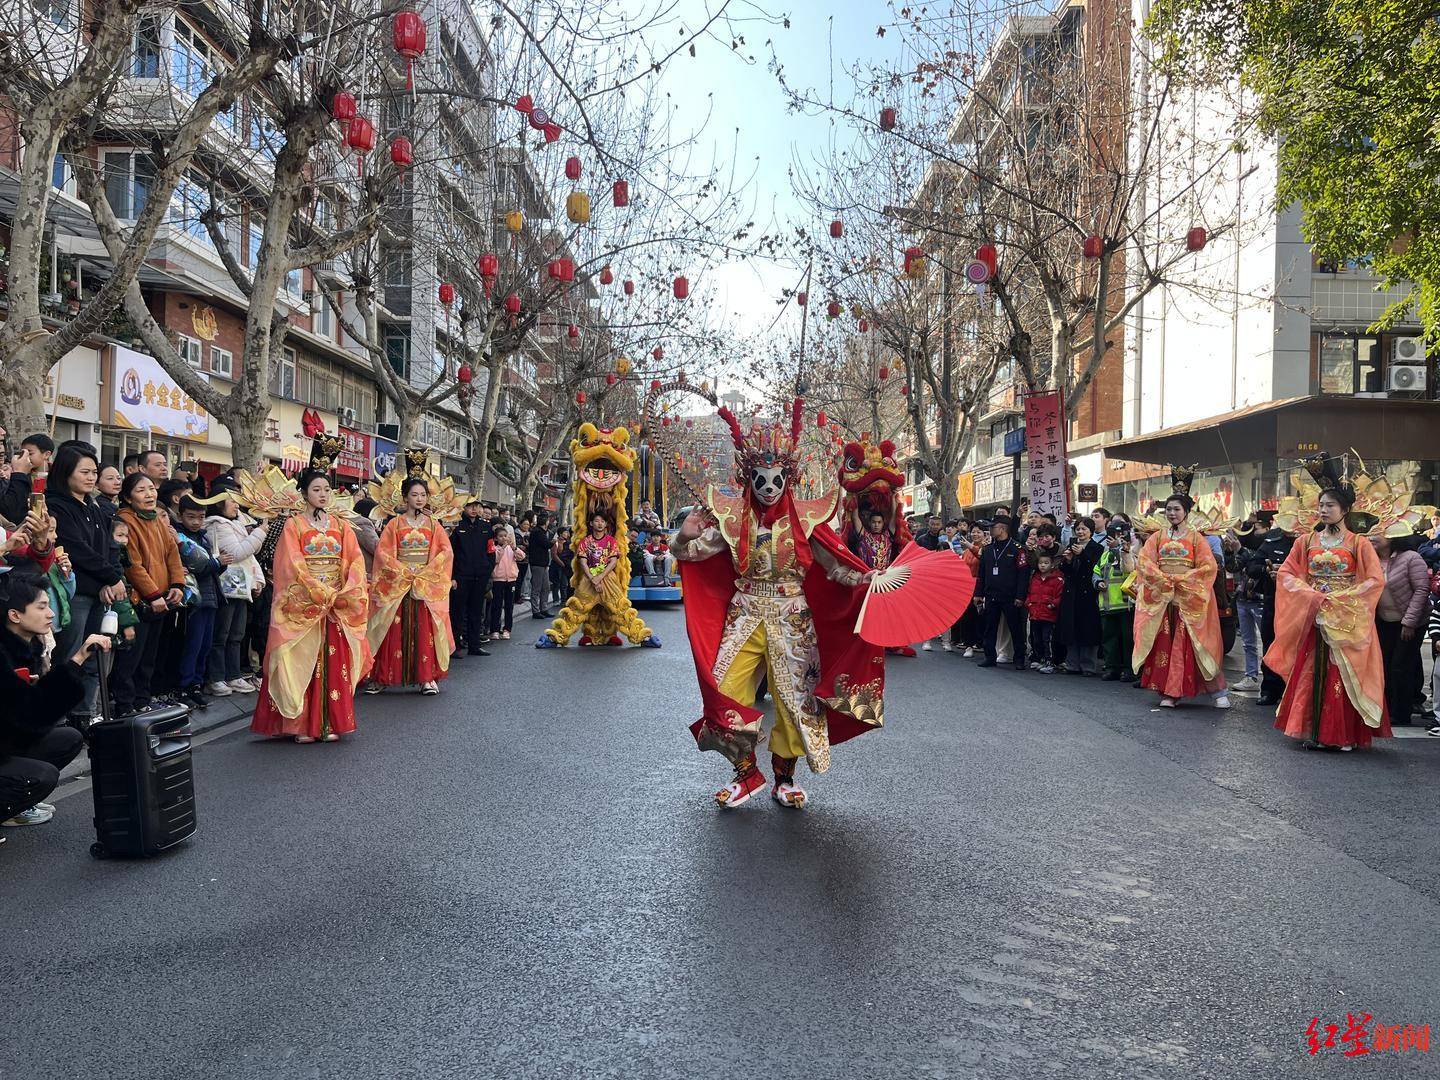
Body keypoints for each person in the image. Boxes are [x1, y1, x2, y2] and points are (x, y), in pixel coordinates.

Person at [670, 398, 890, 810]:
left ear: (787, 479)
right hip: (746, 612)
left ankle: (784, 778)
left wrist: (864, 577)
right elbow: (689, 554)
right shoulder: (732, 520)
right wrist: (683, 536)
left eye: (775, 480)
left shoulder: (806, 520)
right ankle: (746, 772)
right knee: (723, 689)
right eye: (760, 480)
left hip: (793, 616)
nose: (768, 489)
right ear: (748, 478)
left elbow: (835, 567)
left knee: (795, 699)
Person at [1266, 454, 1387, 750]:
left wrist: (1344, 598)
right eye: (1320, 505)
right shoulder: (1306, 541)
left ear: (1344, 509)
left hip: (1345, 617)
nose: (1323, 510)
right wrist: (1310, 595)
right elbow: (1287, 574)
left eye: (1329, 505)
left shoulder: (1358, 543)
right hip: (1316, 614)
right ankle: (1315, 730)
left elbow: (1374, 580)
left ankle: (1342, 734)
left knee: (1343, 671)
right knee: (1311, 669)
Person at [251, 457, 372, 743]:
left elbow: (354, 561)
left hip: (334, 603)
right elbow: (290, 563)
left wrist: (344, 590)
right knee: (301, 660)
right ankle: (301, 724)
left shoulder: (342, 526)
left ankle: (328, 722)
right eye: (317, 489)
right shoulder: (294, 525)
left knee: (331, 661)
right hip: (305, 602)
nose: (323, 495)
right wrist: (315, 589)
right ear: (304, 493)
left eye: (327, 490)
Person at [0, 574, 111, 832]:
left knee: (68, 738)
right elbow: (32, 714)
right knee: (41, 777)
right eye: (41, 607)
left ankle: (14, 808)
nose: (50, 613)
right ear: (15, 615)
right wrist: (78, 658)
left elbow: (27, 721)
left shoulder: (25, 649)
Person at [1132, 468, 1230, 708]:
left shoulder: (1198, 538)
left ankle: (1218, 691)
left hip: (1189, 598)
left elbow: (1208, 567)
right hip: (1165, 597)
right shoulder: (1158, 536)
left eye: (1177, 509)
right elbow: (1145, 561)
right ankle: (1170, 691)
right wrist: (1163, 579)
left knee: (1198, 643)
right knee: (1167, 643)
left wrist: (1183, 580)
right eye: (1169, 509)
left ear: (1187, 512)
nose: (1172, 513)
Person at [45, 444, 124, 723]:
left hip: (99, 593)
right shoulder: (55, 505)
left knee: (96, 656)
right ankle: (57, 717)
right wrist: (110, 577)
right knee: (69, 655)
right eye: (85, 472)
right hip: (73, 593)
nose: (91, 478)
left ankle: (85, 714)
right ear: (66, 472)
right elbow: (76, 549)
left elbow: (108, 548)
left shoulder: (93, 506)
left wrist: (111, 580)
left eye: (94, 472)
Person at [366, 474, 455, 696]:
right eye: (414, 494)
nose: (419, 499)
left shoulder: (434, 525)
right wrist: (401, 570)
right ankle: (382, 676)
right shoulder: (394, 524)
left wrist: (428, 570)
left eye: (423, 495)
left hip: (424, 583)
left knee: (424, 629)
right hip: (399, 582)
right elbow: (383, 552)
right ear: (405, 497)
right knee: (390, 628)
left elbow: (446, 552)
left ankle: (427, 678)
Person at [111, 473, 185, 718]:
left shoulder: (156, 520)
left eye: (151, 489)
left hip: (162, 597)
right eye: (141, 490)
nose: (149, 494)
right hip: (140, 600)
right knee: (132, 656)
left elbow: (172, 554)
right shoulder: (126, 520)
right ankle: (125, 705)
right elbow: (132, 564)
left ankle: (143, 700)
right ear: (128, 497)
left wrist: (177, 584)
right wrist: (153, 594)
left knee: (149, 656)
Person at [202, 486, 268, 697]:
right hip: (226, 585)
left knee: (236, 634)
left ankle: (233, 674)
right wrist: (259, 533)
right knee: (222, 634)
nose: (236, 505)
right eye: (232, 501)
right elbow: (238, 553)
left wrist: (258, 580)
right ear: (219, 503)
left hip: (241, 585)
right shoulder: (217, 525)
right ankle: (216, 677)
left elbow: (251, 555)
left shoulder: (238, 523)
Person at [1371, 532, 1430, 728]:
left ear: (1392, 536)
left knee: (1400, 666)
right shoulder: (1370, 559)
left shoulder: (1411, 558)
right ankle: (1386, 710)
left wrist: (1409, 623)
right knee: (1384, 665)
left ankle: (1401, 712)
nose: (1373, 537)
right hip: (1384, 621)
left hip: (1410, 622)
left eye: (1378, 533)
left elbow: (1422, 590)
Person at [976, 516, 1029, 670]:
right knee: (989, 627)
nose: (990, 530)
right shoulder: (988, 549)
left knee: (1015, 628)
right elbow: (982, 574)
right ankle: (989, 657)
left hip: (1011, 596)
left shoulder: (1017, 549)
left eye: (993, 527)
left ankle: (1019, 658)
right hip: (991, 595)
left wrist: (1020, 596)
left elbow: (1023, 575)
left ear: (1003, 528)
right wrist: (979, 594)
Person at [1056, 519, 1103, 674]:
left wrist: (1083, 554)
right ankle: (1072, 663)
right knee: (1071, 628)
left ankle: (1088, 665)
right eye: (1078, 529)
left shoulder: (1097, 548)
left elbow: (1095, 567)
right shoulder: (1072, 546)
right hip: (1072, 592)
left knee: (1088, 629)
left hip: (1088, 592)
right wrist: (1068, 561)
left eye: (1084, 529)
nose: (1080, 532)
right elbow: (1065, 570)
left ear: (1090, 531)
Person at [449, 499, 494, 656]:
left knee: (476, 612)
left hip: (480, 576)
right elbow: (450, 555)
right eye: (470, 506)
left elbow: (491, 552)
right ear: (464, 507)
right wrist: (453, 576)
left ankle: (474, 645)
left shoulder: (486, 527)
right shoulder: (457, 527)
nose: (474, 509)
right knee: (457, 612)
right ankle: (454, 646)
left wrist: (487, 572)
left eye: (477, 506)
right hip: (461, 576)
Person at [1094, 518, 1136, 681]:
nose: (1117, 537)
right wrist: (1097, 582)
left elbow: (1130, 568)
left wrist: (1122, 550)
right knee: (1109, 639)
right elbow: (1096, 570)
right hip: (1107, 604)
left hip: (1126, 604)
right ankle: (1112, 667)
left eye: (1120, 533)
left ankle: (1129, 669)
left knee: (1127, 639)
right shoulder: (1105, 554)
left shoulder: (1131, 551)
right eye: (1114, 534)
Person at [1025, 552, 1064, 673]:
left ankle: (1050, 662)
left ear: (1052, 565)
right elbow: (1029, 593)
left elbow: (1060, 596)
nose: (1043, 565)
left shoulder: (1057, 579)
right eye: (1041, 563)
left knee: (1047, 639)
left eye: (1046, 563)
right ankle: (1041, 659)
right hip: (1035, 614)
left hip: (1049, 615)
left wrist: (1053, 604)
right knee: (1036, 639)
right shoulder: (1034, 578)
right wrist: (1029, 604)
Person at [488, 524, 523, 639]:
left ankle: (507, 628)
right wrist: (502, 548)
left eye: (505, 536)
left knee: (509, 606)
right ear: (496, 538)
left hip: (511, 579)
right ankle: (495, 629)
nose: (503, 538)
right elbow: (496, 560)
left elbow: (521, 556)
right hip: (498, 579)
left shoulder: (511, 548)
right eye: (500, 536)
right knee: (497, 605)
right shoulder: (495, 548)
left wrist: (514, 547)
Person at [526, 511, 554, 618]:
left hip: (544, 563)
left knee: (545, 587)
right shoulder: (537, 532)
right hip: (537, 563)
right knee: (537, 588)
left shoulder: (543, 532)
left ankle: (544, 608)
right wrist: (553, 541)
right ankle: (536, 610)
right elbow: (546, 544)